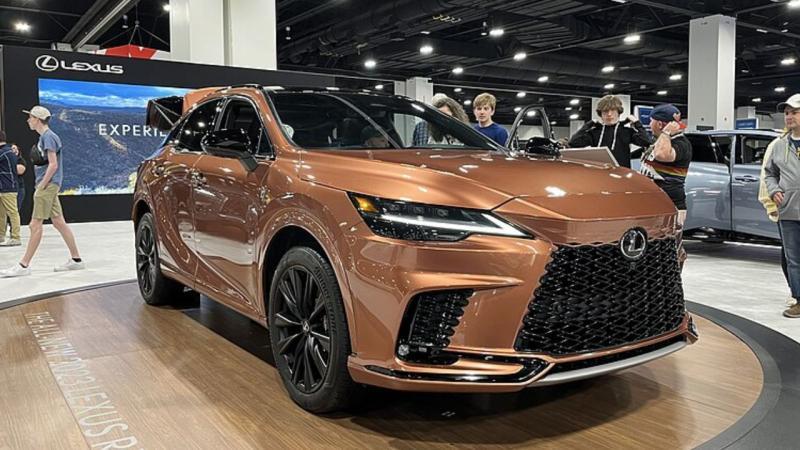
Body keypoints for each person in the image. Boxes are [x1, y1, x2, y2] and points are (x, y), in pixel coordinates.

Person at [0, 106, 84, 278]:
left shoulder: (48, 137)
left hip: (47, 186)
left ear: (37, 119)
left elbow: (53, 165)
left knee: (35, 225)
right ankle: (76, 260)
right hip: (49, 185)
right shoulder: (45, 137)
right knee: (59, 222)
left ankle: (24, 265)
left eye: (30, 117)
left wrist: (42, 185)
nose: (28, 120)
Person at [763, 94, 800, 318]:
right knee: (793, 260)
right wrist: (774, 190)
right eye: (787, 113)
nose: (789, 116)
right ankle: (798, 300)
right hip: (789, 211)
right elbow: (769, 173)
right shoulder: (779, 145)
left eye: (794, 112)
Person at [639, 104, 692, 225]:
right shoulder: (661, 140)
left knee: (666, 237)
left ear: (659, 124)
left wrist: (666, 132)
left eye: (651, 121)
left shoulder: (681, 143)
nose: (650, 125)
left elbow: (661, 155)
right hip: (653, 202)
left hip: (670, 204)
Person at [568, 95, 654, 168]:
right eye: (605, 111)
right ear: (601, 114)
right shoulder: (595, 132)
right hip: (600, 174)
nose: (609, 114)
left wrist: (637, 123)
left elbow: (647, 141)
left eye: (613, 110)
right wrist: (588, 124)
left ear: (618, 112)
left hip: (622, 174)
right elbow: (573, 142)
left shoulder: (627, 131)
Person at [759, 133, 794, 307]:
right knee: (791, 255)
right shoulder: (778, 144)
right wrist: (770, 204)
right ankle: (795, 292)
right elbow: (767, 176)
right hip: (789, 209)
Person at [0, 131, 21, 247]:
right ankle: (1, 236)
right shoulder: (9, 151)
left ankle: (15, 237)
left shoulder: (4, 152)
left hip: (8, 187)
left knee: (12, 212)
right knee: (1, 214)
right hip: (4, 187)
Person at [4, 143, 26, 243]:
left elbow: (20, 170)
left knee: (14, 211)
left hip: (18, 189)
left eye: (15, 149)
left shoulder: (20, 160)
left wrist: (8, 166)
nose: (14, 150)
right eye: (12, 148)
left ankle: (14, 234)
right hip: (6, 188)